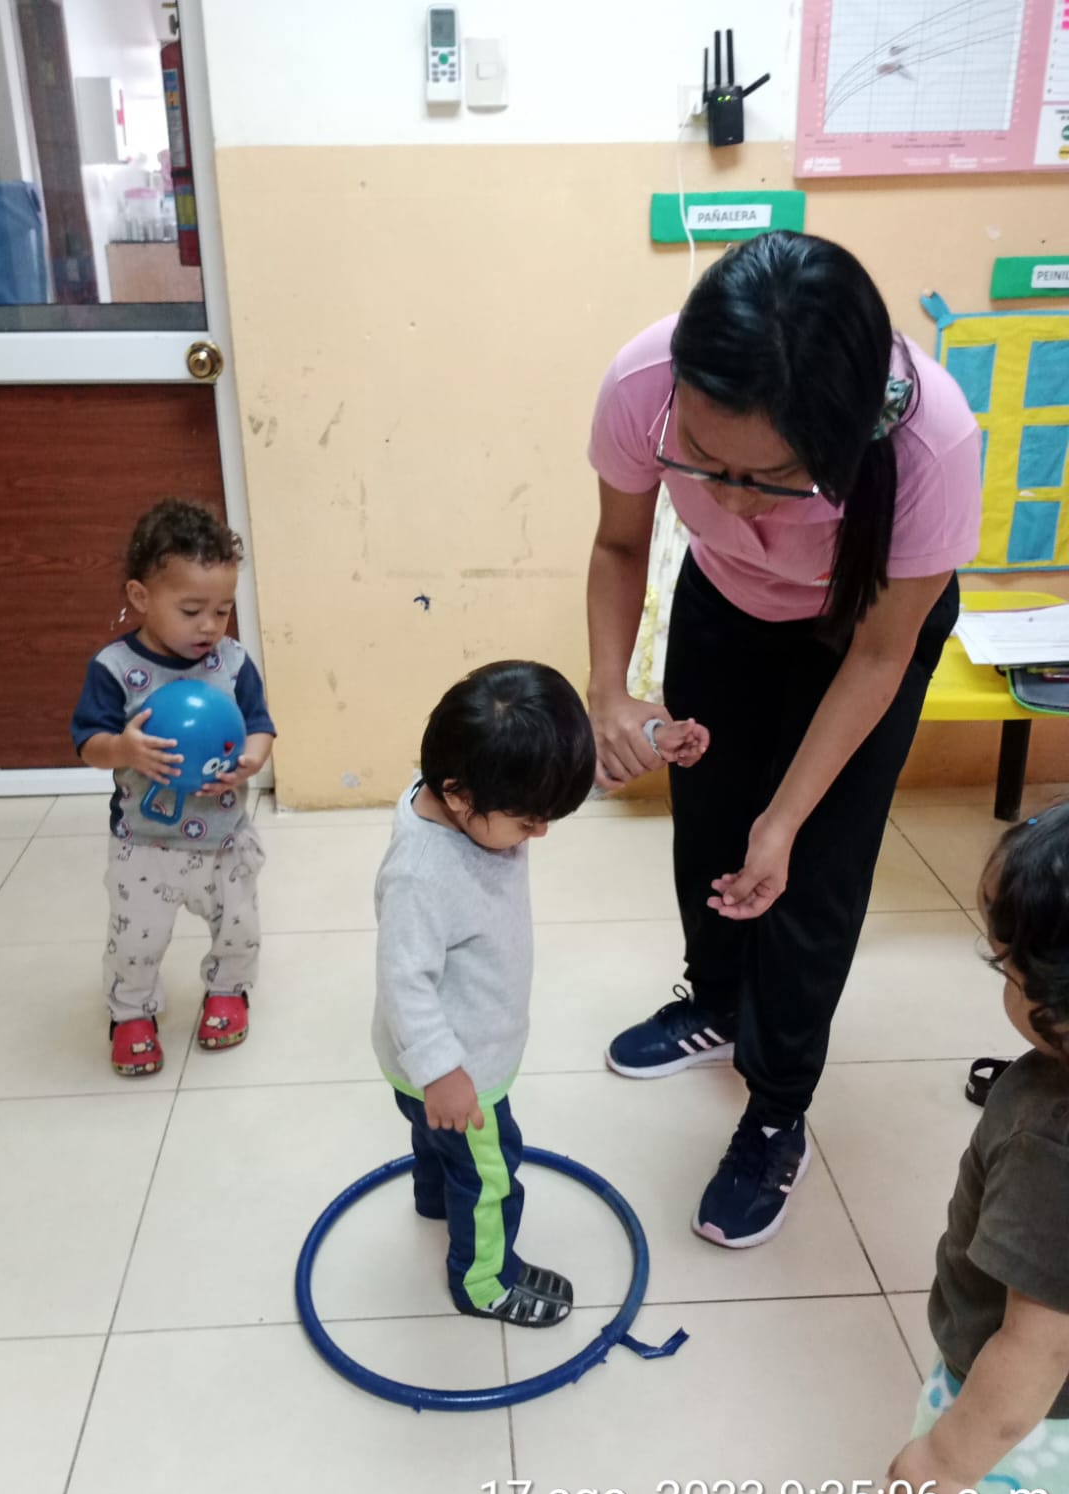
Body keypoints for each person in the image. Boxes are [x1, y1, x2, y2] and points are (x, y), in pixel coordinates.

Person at [586, 231, 981, 1247]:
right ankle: (717, 1000)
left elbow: (882, 656)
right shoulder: (642, 383)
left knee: (805, 875)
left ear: (843, 435)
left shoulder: (931, 444)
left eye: (769, 477)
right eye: (704, 461)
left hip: (862, 635)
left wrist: (790, 816)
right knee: (711, 821)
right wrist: (608, 689)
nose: (727, 499)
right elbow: (621, 541)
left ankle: (776, 1109)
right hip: (725, 609)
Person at [372, 660, 596, 1325]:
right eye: (528, 821)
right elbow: (404, 980)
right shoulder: (422, 875)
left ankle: (433, 1200)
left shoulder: (466, 791)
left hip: (443, 1062)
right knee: (489, 1175)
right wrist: (443, 1073)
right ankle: (485, 1282)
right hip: (457, 1069)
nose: (540, 833)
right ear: (458, 794)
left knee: (437, 1144)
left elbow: (538, 783)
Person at [884, 805, 1069, 1494]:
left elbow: (1038, 1347)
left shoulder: (1050, 1146)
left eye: (1007, 966)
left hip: (1019, 1421)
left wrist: (948, 1458)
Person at [71, 499, 276, 1075]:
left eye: (222, 610)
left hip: (223, 837)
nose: (210, 625)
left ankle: (229, 991)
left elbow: (260, 725)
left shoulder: (232, 663)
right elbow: (88, 742)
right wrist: (124, 749)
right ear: (140, 597)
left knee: (238, 926)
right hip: (145, 841)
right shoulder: (115, 669)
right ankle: (131, 1012)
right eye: (191, 610)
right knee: (134, 939)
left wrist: (251, 760)